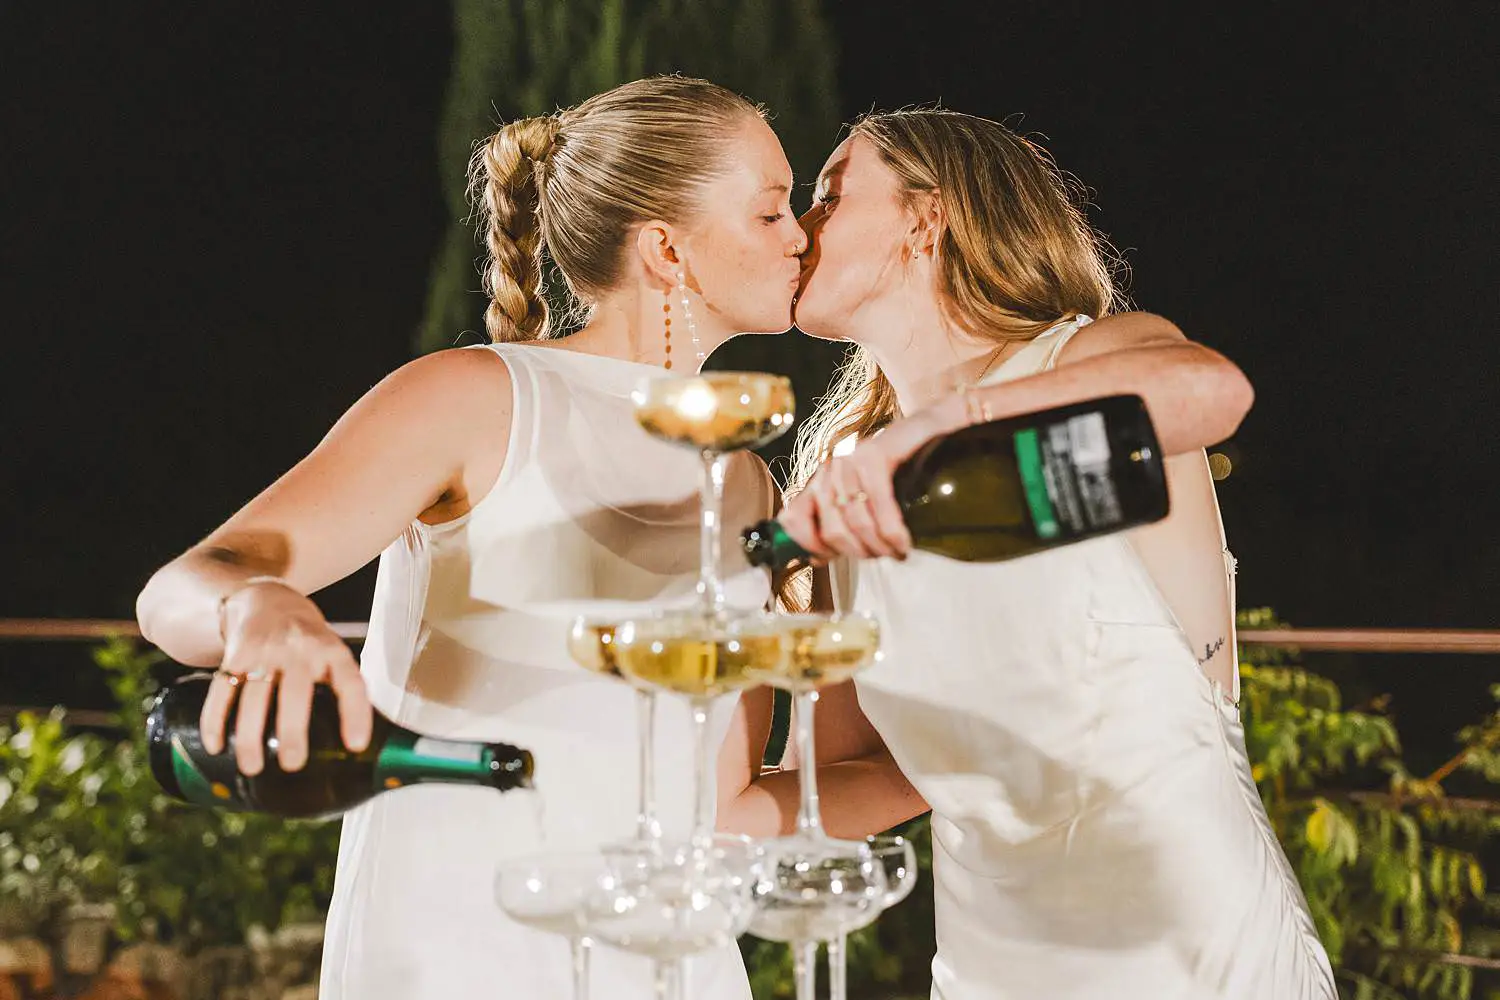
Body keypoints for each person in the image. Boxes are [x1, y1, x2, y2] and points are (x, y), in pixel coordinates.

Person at [135, 75, 811, 1000]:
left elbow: (717, 807)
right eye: (771, 211)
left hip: (669, 961)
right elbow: (180, 588)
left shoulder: (745, 481)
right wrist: (260, 611)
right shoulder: (481, 398)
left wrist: (947, 767)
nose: (800, 236)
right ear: (665, 249)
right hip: (457, 953)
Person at [724, 110, 1337, 998]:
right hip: (989, 968)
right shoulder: (851, 481)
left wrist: (945, 428)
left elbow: (1210, 392)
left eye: (829, 195)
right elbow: (865, 771)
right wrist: (687, 813)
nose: (799, 229)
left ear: (926, 217)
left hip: (1187, 951)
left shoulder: (1085, 360)